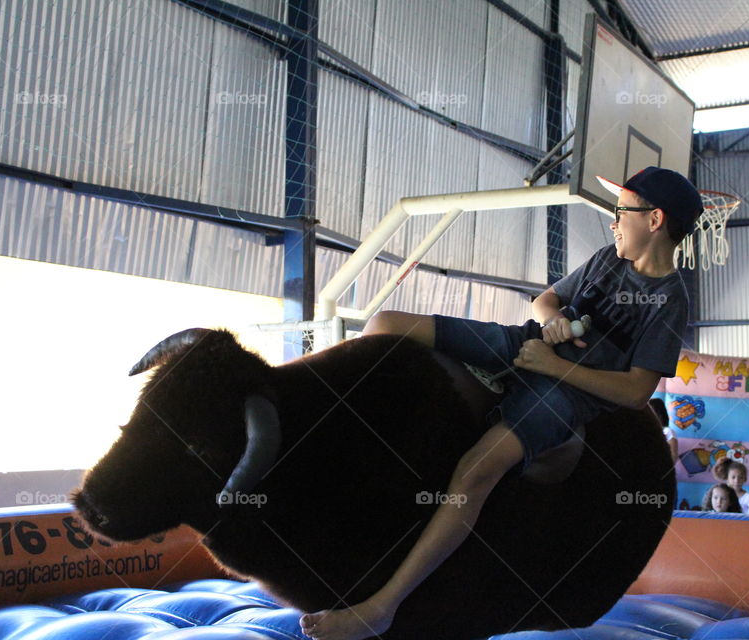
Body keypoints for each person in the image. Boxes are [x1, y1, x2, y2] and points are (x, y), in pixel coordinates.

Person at [299, 167, 703, 640]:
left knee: (476, 471)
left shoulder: (670, 300)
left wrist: (555, 368)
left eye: (622, 212)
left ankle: (381, 608)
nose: (613, 222)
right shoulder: (606, 259)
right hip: (525, 343)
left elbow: (636, 391)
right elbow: (546, 300)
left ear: (654, 220)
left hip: (566, 394)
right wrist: (551, 320)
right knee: (384, 323)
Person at [649, 397, 679, 464]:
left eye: (651, 411)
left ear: (659, 413)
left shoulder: (668, 431)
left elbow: (673, 457)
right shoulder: (648, 431)